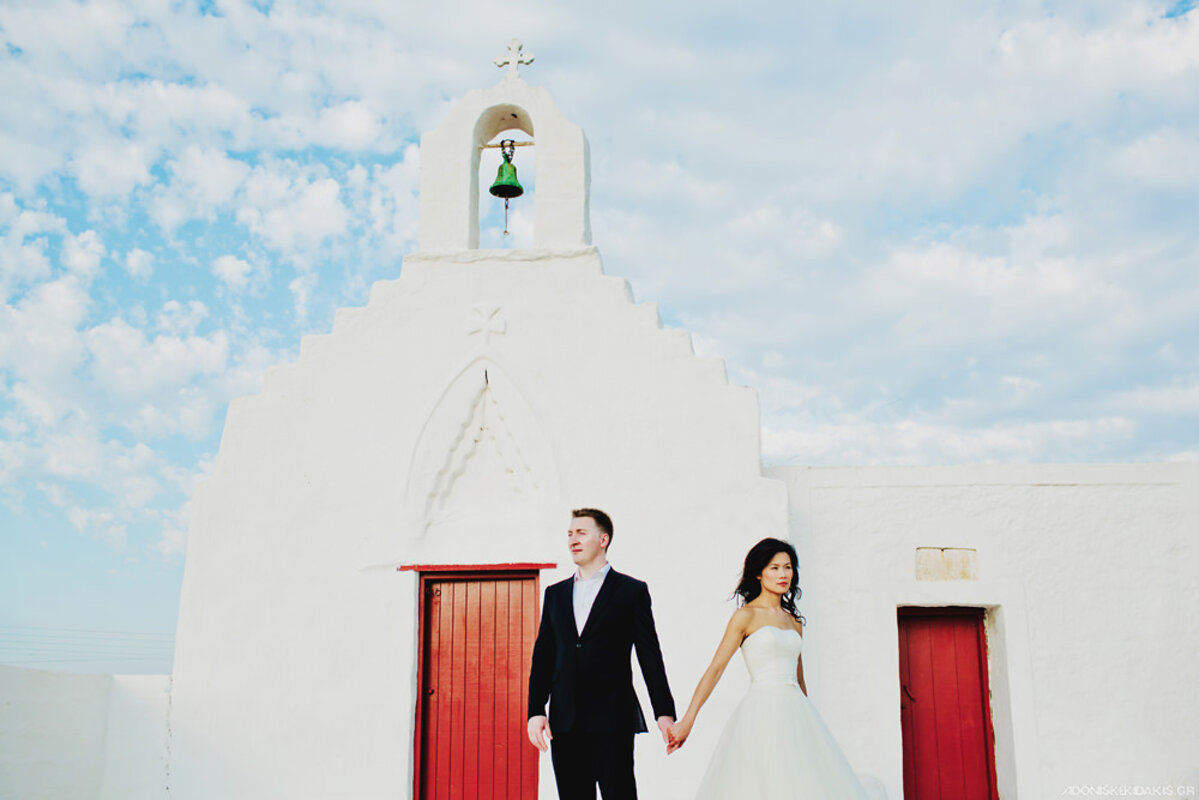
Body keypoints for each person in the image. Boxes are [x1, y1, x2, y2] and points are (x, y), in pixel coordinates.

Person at [667, 538, 870, 799]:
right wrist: (688, 720)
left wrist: (810, 727)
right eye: (774, 568)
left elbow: (799, 678)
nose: (783, 574)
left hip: (796, 711)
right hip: (761, 711)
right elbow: (716, 668)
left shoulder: (794, 622)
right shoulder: (745, 616)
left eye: (787, 567)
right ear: (758, 573)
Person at [527, 508, 677, 800]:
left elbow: (650, 655)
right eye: (570, 534)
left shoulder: (631, 591)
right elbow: (543, 657)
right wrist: (535, 710)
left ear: (603, 539)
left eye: (581, 532)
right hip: (565, 721)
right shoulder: (555, 594)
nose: (573, 539)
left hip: (613, 719)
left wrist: (664, 712)